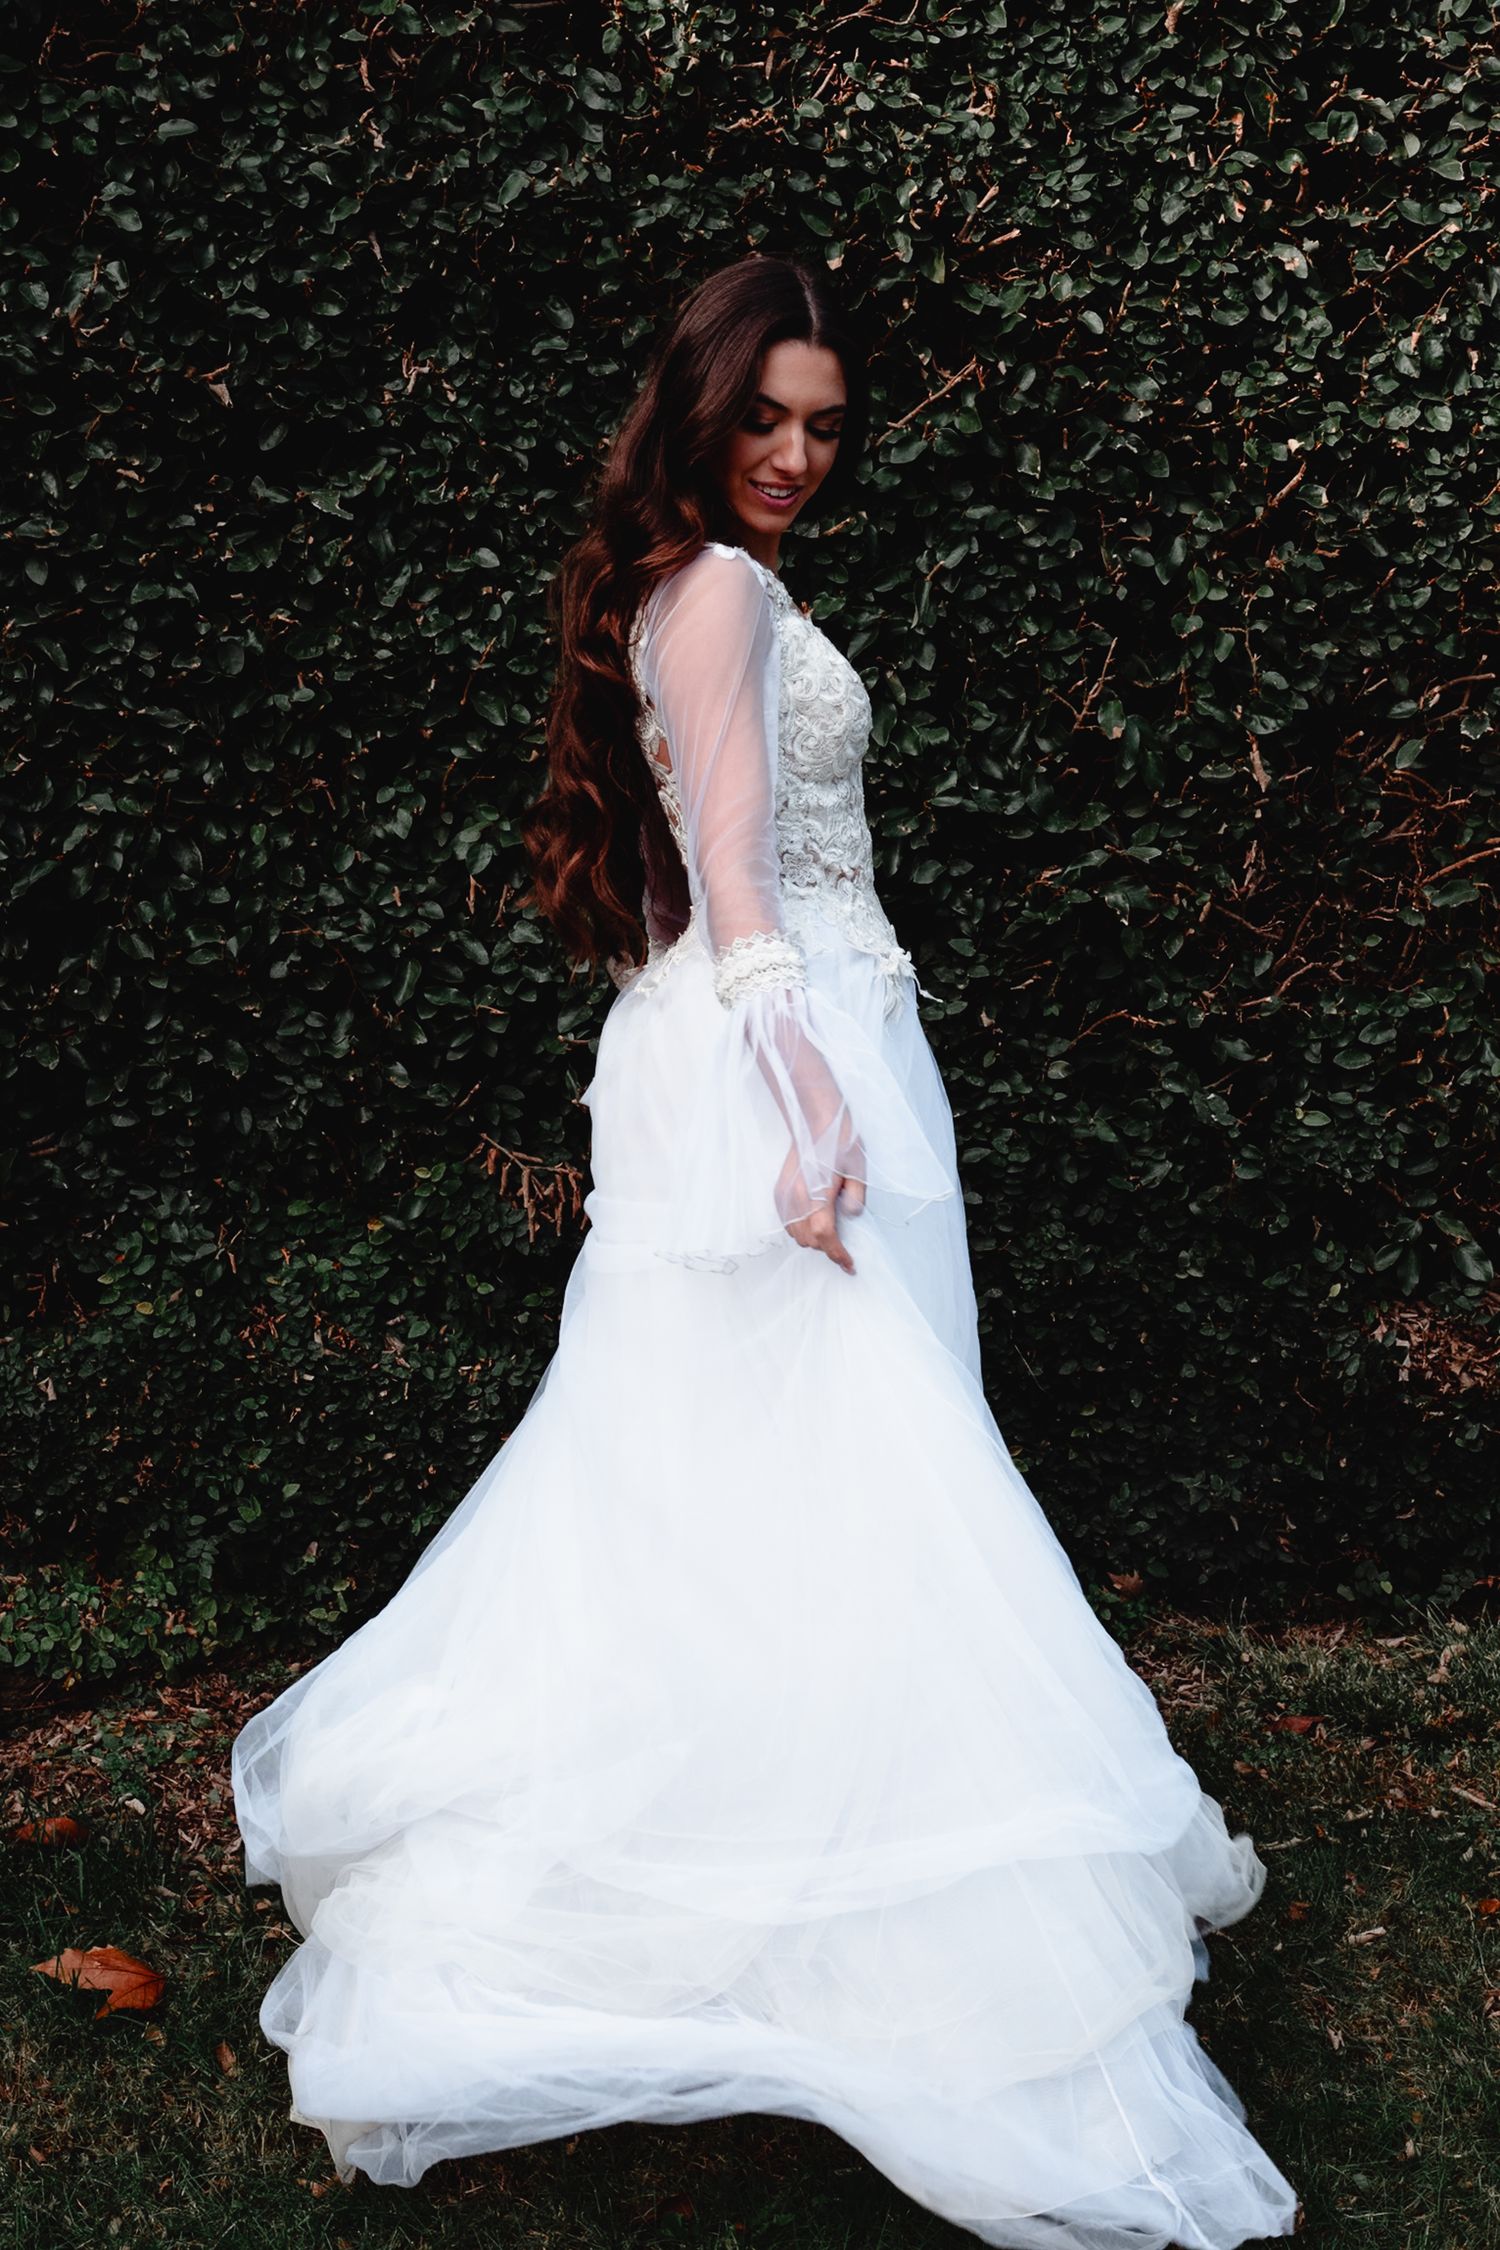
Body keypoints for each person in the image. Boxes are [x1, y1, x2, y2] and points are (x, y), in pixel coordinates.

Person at [231, 253, 1300, 2249]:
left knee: (750, 1498)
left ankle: (768, 1863)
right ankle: (870, 1913)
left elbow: (699, 868)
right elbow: (733, 878)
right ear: (702, 410)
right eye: (768, 419)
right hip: (788, 1052)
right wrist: (808, 1114)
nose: (801, 455)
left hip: (766, 1034)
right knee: (856, 1491)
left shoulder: (688, 584)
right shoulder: (718, 589)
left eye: (824, 424)